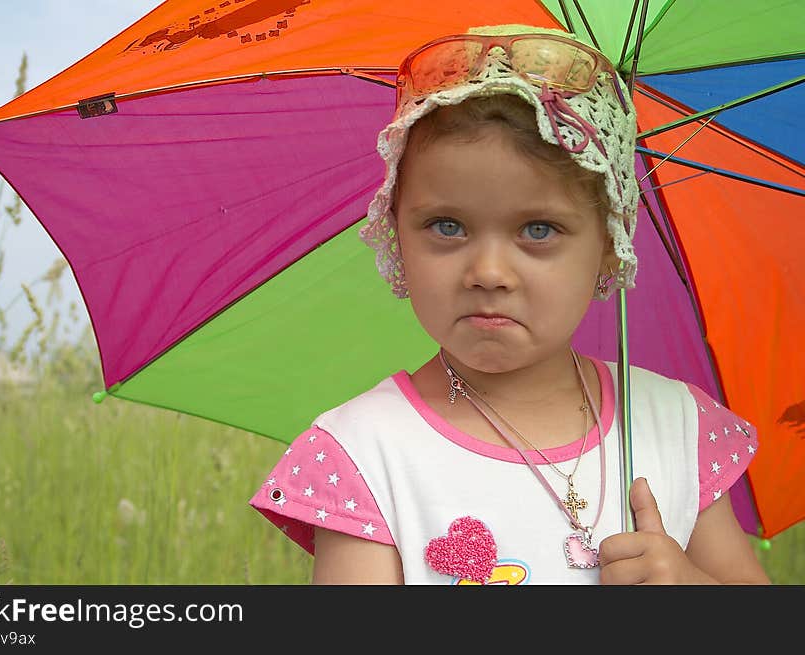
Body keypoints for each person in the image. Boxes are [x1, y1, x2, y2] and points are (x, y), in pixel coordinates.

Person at [249, 24, 771, 585]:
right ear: (396, 230)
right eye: (447, 226)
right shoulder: (367, 455)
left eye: (538, 229)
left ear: (608, 244)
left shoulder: (671, 428)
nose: (489, 273)